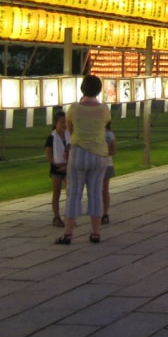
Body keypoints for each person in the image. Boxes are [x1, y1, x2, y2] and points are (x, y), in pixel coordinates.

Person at [57, 74, 112, 245]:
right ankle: (95, 232)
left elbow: (70, 129)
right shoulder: (104, 109)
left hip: (79, 152)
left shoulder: (74, 108)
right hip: (99, 154)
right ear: (99, 90)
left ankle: (68, 233)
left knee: (74, 194)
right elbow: (105, 125)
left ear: (82, 89)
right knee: (96, 193)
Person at [44, 110, 70, 227]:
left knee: (71, 191)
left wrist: (67, 165)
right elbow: (48, 154)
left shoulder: (69, 135)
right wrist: (56, 164)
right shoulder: (51, 138)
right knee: (57, 192)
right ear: (56, 124)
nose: (64, 125)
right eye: (62, 122)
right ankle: (56, 216)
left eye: (66, 122)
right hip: (56, 168)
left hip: (68, 166)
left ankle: (70, 215)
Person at [101, 121, 116, 225]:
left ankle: (104, 213)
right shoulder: (94, 133)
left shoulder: (108, 134)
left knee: (104, 189)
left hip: (106, 164)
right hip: (95, 164)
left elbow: (113, 151)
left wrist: (101, 153)